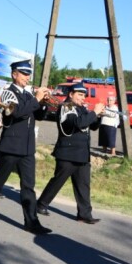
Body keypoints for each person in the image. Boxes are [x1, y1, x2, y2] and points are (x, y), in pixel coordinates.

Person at [0, 59, 52, 235]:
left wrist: (44, 103)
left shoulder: (28, 95)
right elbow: (17, 112)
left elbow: (38, 115)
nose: (27, 77)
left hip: (27, 147)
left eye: (28, 74)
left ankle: (31, 221)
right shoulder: (7, 93)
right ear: (14, 74)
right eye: (24, 74)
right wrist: (36, 99)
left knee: (28, 186)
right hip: (11, 145)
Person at [36, 83, 104, 224]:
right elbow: (78, 123)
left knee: (83, 185)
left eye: (84, 95)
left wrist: (99, 116)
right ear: (71, 94)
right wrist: (94, 113)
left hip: (82, 154)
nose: (82, 98)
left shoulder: (82, 109)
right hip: (68, 152)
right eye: (79, 94)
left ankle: (84, 214)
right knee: (58, 181)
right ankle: (41, 204)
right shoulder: (66, 107)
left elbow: (93, 126)